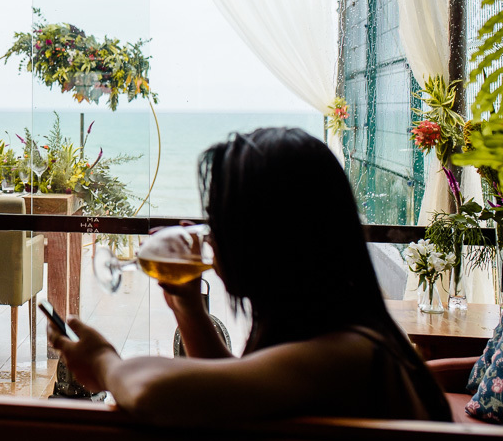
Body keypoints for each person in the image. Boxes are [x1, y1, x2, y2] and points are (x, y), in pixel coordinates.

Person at [51, 127, 452, 424]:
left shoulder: (347, 357)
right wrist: (187, 307)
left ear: (272, 240)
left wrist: (104, 363)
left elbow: (155, 391)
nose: (211, 235)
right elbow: (232, 389)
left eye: (223, 222)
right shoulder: (339, 337)